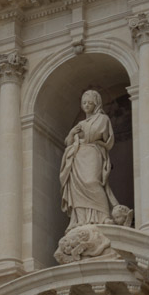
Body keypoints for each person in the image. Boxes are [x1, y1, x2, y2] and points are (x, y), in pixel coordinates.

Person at [59, 90, 121, 228]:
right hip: (77, 155)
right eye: (84, 103)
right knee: (77, 188)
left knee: (92, 181)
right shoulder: (80, 123)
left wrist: (85, 134)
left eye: (90, 103)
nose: (86, 105)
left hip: (93, 152)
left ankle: (104, 216)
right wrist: (72, 133)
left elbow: (104, 137)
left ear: (96, 104)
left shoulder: (102, 119)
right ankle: (80, 220)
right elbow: (68, 142)